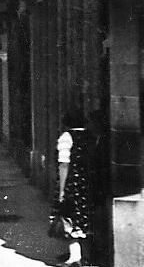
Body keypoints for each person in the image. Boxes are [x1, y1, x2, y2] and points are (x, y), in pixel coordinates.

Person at [55, 112, 93, 267]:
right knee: (84, 220)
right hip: (88, 183)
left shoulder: (66, 137)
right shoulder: (88, 136)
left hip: (73, 184)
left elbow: (64, 164)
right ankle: (85, 256)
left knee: (69, 219)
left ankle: (75, 258)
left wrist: (62, 190)